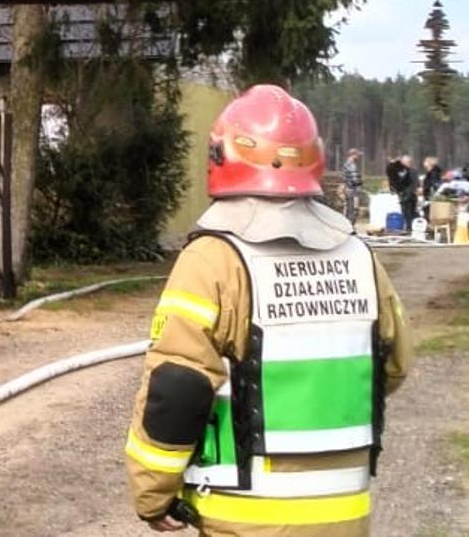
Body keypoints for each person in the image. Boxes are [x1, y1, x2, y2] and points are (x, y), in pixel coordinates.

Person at [125, 84, 410, 535]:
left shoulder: (212, 259)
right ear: (314, 158)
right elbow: (392, 366)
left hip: (243, 518)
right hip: (345, 516)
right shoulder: (360, 257)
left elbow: (178, 387)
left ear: (221, 156)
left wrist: (152, 495)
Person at [386, 154, 416, 231]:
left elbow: (411, 183)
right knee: (405, 212)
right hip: (404, 194)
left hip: (409, 195)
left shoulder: (410, 171)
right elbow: (391, 173)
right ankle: (408, 227)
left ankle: (410, 228)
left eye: (408, 162)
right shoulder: (401, 170)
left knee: (409, 212)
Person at [340, 148, 364, 223]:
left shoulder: (346, 164)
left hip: (348, 189)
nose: (358, 157)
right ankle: (350, 228)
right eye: (357, 155)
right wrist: (360, 182)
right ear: (353, 155)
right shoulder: (352, 165)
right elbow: (355, 179)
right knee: (353, 210)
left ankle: (347, 226)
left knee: (348, 210)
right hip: (352, 191)